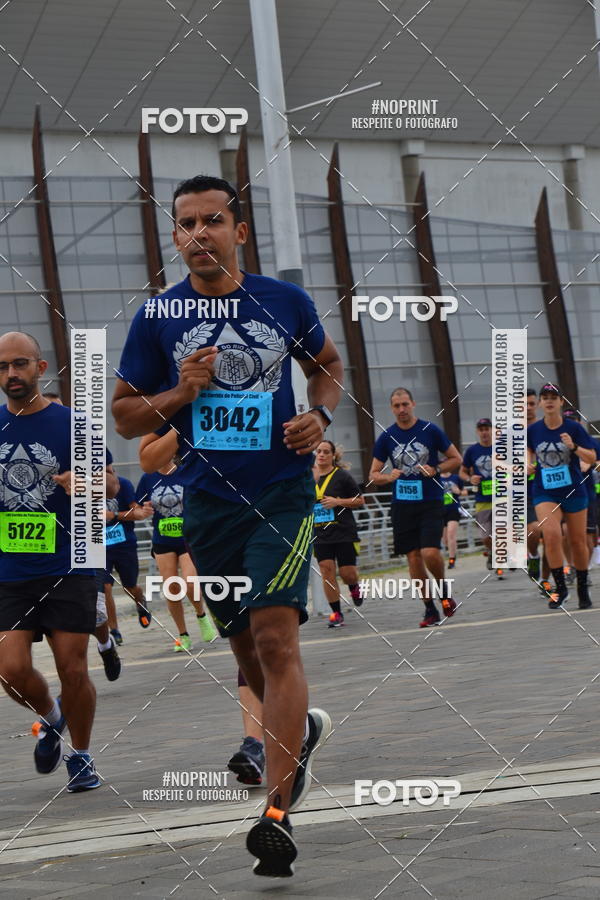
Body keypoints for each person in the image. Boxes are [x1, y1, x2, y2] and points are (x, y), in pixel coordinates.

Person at [112, 175, 342, 876]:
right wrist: (181, 390)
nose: (197, 234)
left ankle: (277, 813)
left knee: (276, 637)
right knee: (246, 654)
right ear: (175, 236)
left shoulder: (283, 301)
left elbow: (326, 365)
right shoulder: (157, 316)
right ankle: (296, 732)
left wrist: (320, 413)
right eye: (184, 224)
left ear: (239, 232)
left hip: (280, 492)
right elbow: (125, 416)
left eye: (212, 220)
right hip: (206, 504)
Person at [0, 332, 100, 791]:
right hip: (10, 571)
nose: (11, 375)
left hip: (70, 563)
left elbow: (113, 487)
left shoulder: (74, 425)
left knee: (73, 668)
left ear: (40, 369)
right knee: (10, 670)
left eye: (20, 364)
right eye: (2, 368)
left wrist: (87, 484)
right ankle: (52, 716)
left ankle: (81, 755)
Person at [140, 428, 265, 784]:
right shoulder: (180, 412)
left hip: (267, 522)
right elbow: (142, 451)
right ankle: (256, 744)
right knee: (244, 640)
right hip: (209, 536)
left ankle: (280, 734)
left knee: (268, 636)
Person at [369, 388, 462, 627]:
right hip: (402, 505)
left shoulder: (430, 430)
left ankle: (443, 592)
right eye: (396, 406)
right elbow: (373, 474)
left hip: (430, 501)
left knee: (430, 552)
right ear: (391, 408)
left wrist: (436, 469)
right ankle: (429, 609)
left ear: (413, 404)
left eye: (405, 404)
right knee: (413, 558)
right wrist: (389, 477)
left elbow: (456, 458)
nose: (401, 410)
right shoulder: (387, 437)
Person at [136, 457, 217, 651]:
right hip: (162, 540)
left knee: (190, 582)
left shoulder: (186, 473)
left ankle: (201, 615)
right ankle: (183, 634)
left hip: (188, 538)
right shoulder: (148, 478)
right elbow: (136, 504)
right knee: (172, 588)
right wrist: (142, 510)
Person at [527, 384, 595, 609]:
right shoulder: (534, 430)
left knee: (577, 541)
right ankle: (560, 589)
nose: (548, 401)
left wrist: (574, 447)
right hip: (544, 490)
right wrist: (529, 463)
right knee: (552, 534)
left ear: (561, 402)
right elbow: (528, 450)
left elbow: (592, 456)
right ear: (540, 403)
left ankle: (582, 589)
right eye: (544, 398)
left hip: (574, 489)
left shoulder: (573, 428)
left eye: (553, 398)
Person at [312, 440, 364, 627]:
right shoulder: (309, 477)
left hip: (343, 531)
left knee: (347, 572)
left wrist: (338, 501)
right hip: (320, 533)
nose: (322, 455)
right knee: (326, 570)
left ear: (333, 455)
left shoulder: (342, 476)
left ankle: (354, 586)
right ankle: (336, 613)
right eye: (319, 451)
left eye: (326, 451)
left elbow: (360, 501)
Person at [104, 474, 154, 643]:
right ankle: (114, 631)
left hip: (124, 544)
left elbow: (138, 513)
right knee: (105, 589)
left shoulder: (122, 483)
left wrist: (114, 515)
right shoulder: (83, 486)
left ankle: (140, 602)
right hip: (100, 547)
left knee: (130, 587)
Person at [460, 417, 505, 579]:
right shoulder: (472, 451)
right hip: (482, 499)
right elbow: (462, 471)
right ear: (478, 432)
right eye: (481, 429)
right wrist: (469, 479)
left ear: (492, 430)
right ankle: (492, 551)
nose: (485, 432)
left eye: (487, 429)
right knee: (485, 536)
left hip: (502, 497)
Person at [440, 472, 465, 569]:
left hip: (453, 509)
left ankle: (451, 560)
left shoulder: (456, 477)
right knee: (445, 539)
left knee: (451, 534)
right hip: (440, 511)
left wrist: (458, 492)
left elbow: (465, 492)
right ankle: (453, 552)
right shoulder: (436, 477)